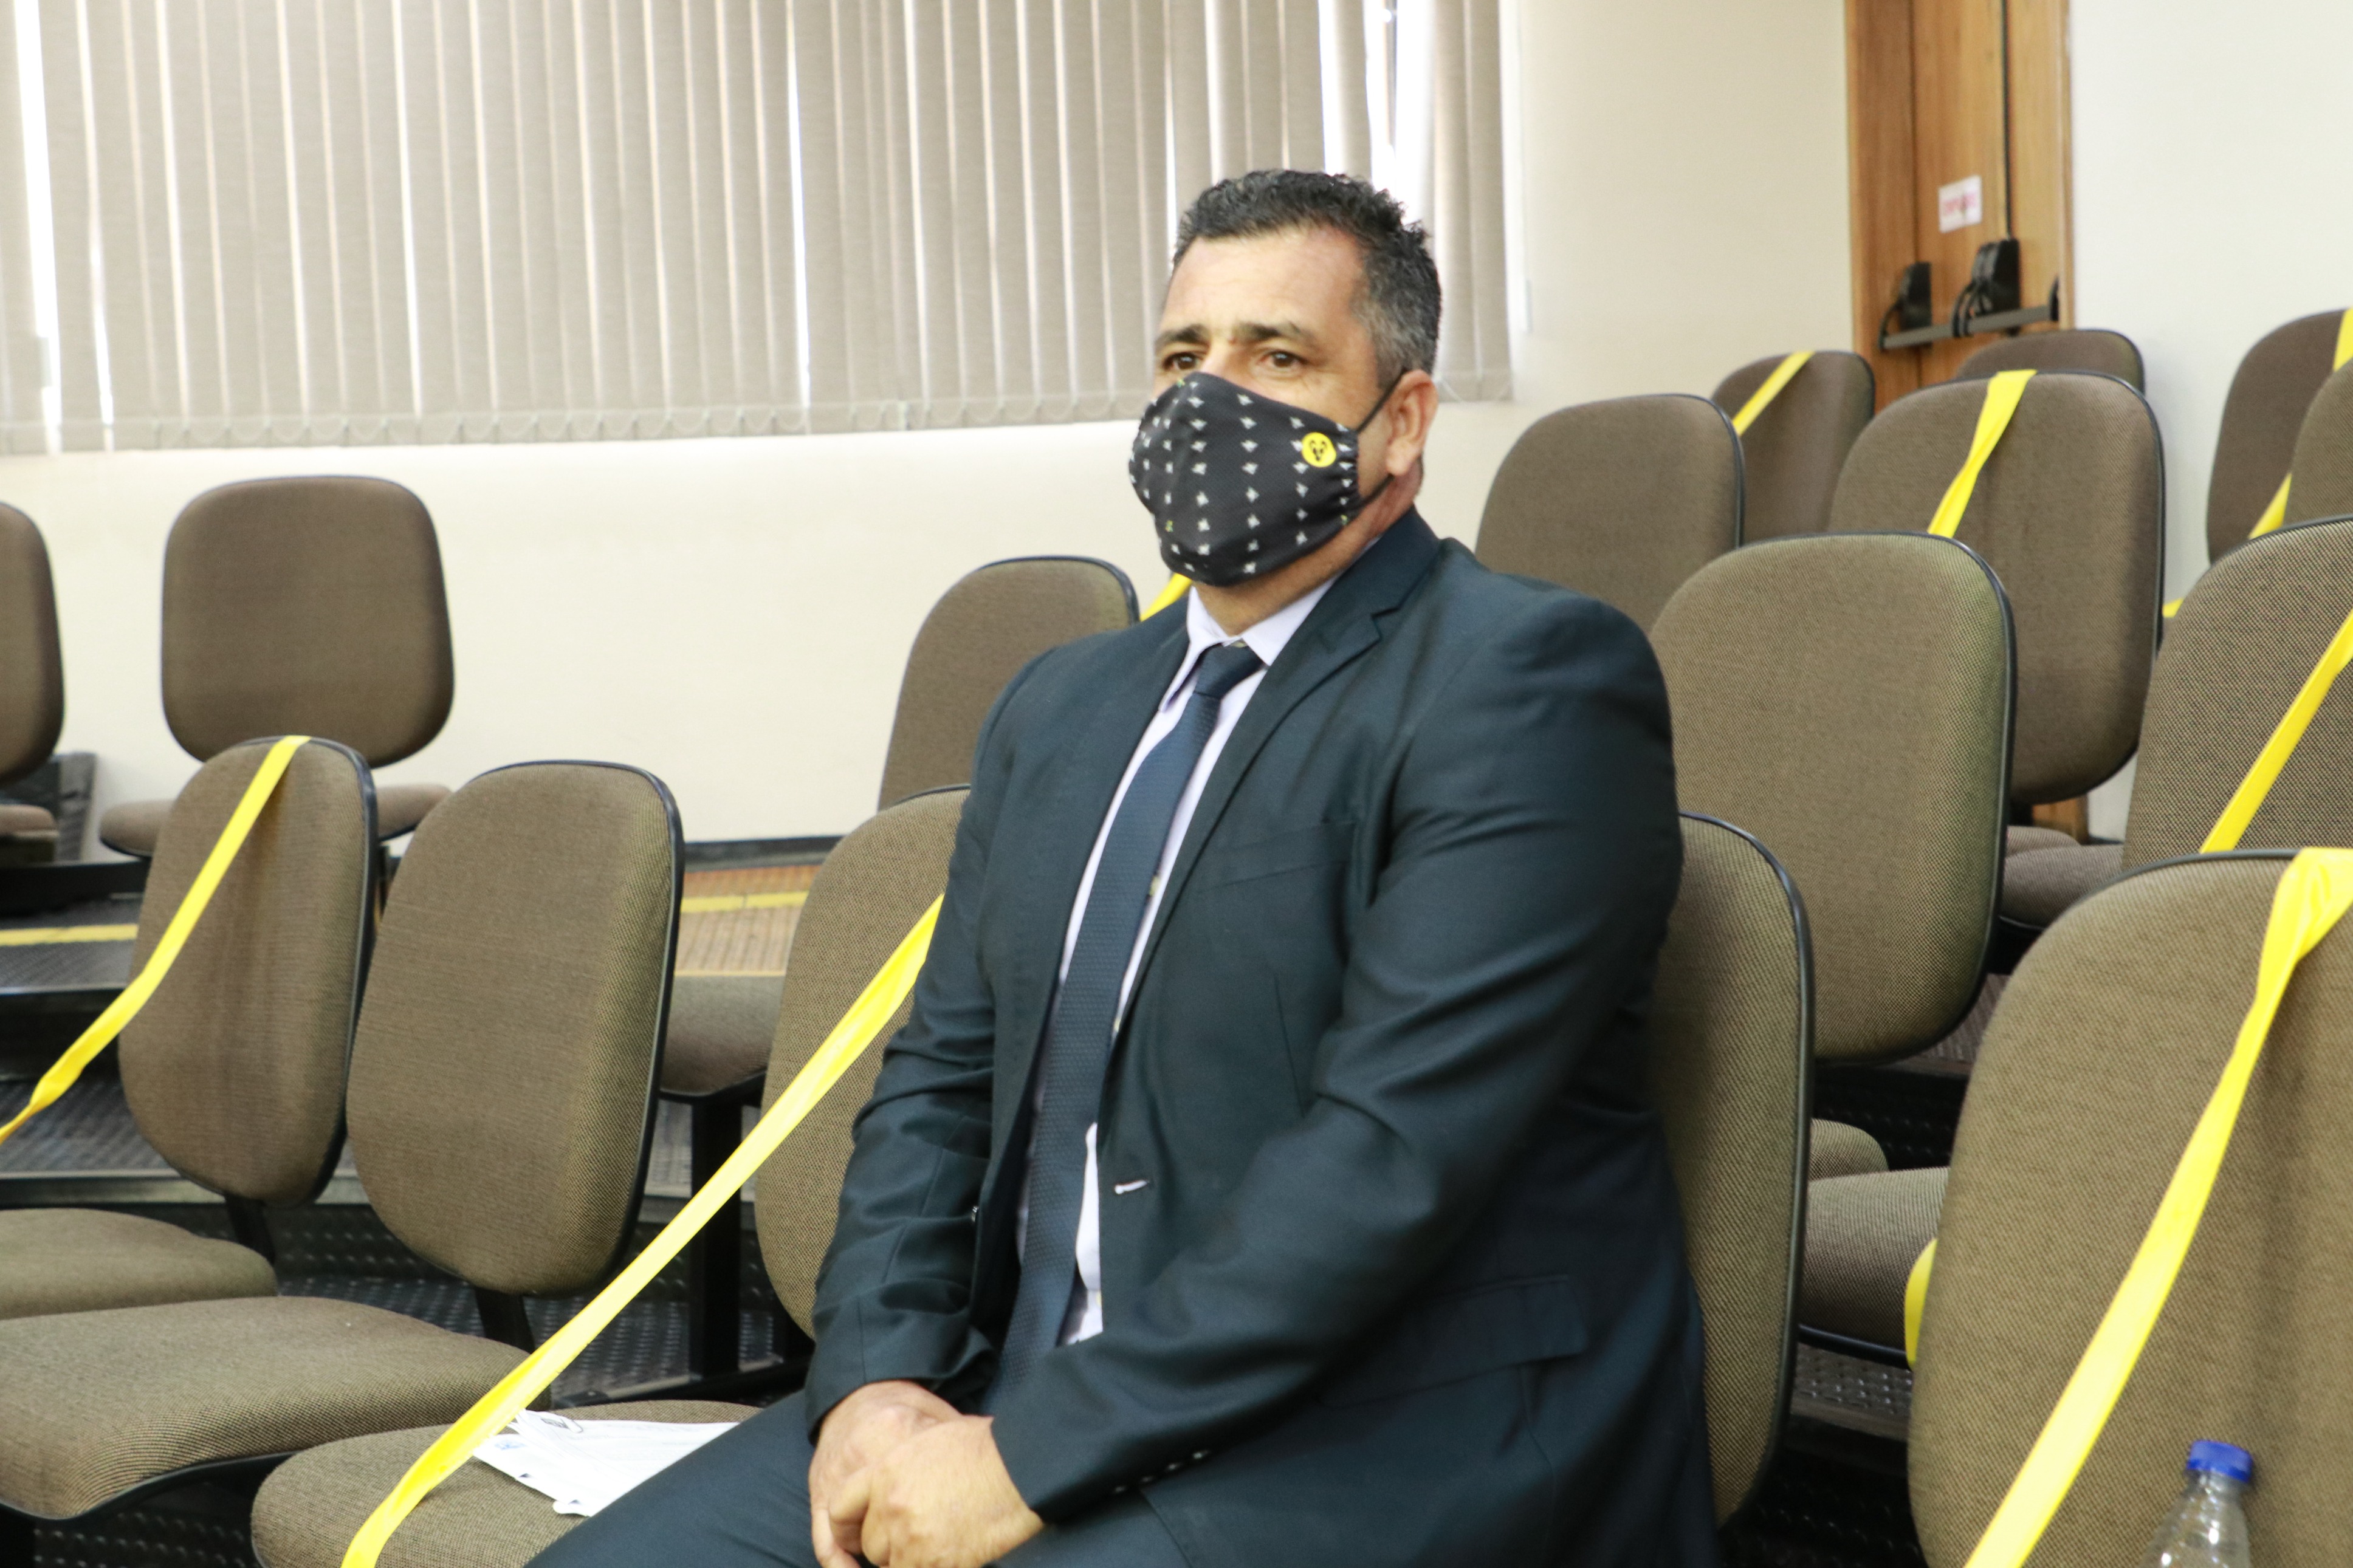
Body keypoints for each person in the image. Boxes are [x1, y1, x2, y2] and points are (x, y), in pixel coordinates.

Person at [534, 169, 1712, 1568]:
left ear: (1400, 421)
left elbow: (1387, 1160)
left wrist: (1025, 1458)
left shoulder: (1523, 682)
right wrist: (873, 1386)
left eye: (1278, 356)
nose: (1211, 398)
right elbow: (939, 1088)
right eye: (1181, 356)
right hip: (1009, 1389)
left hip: (1363, 1433)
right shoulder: (1066, 705)